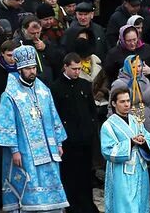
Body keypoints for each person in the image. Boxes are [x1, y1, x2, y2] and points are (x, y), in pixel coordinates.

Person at [0, 44, 69, 212]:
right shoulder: (10, 94)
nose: (32, 71)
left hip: (49, 149)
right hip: (24, 150)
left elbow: (53, 116)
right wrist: (14, 150)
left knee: (52, 184)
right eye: (27, 68)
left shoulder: (44, 90)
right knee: (28, 186)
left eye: (33, 67)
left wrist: (59, 143)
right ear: (19, 69)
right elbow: (7, 125)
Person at [51, 53, 98, 213]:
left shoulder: (85, 85)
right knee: (70, 175)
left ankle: (87, 205)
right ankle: (72, 206)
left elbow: (92, 110)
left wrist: (92, 129)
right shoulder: (56, 87)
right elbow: (55, 115)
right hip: (68, 140)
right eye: (74, 69)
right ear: (65, 67)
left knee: (85, 174)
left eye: (79, 69)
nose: (77, 72)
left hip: (85, 138)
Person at [101, 86, 150, 213]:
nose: (127, 104)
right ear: (114, 103)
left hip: (140, 170)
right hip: (121, 172)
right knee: (126, 206)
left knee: (141, 204)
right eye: (122, 101)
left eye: (128, 101)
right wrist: (131, 143)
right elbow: (108, 150)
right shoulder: (108, 126)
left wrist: (143, 141)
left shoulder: (136, 121)